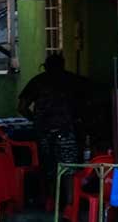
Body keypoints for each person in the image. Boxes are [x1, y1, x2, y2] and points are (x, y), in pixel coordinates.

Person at [18, 53, 91, 191]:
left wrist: (35, 119)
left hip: (44, 131)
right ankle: (69, 204)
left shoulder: (38, 81)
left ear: (46, 67)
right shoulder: (73, 80)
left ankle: (50, 200)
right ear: (63, 65)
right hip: (66, 131)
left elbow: (22, 107)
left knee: (48, 167)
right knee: (68, 169)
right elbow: (88, 101)